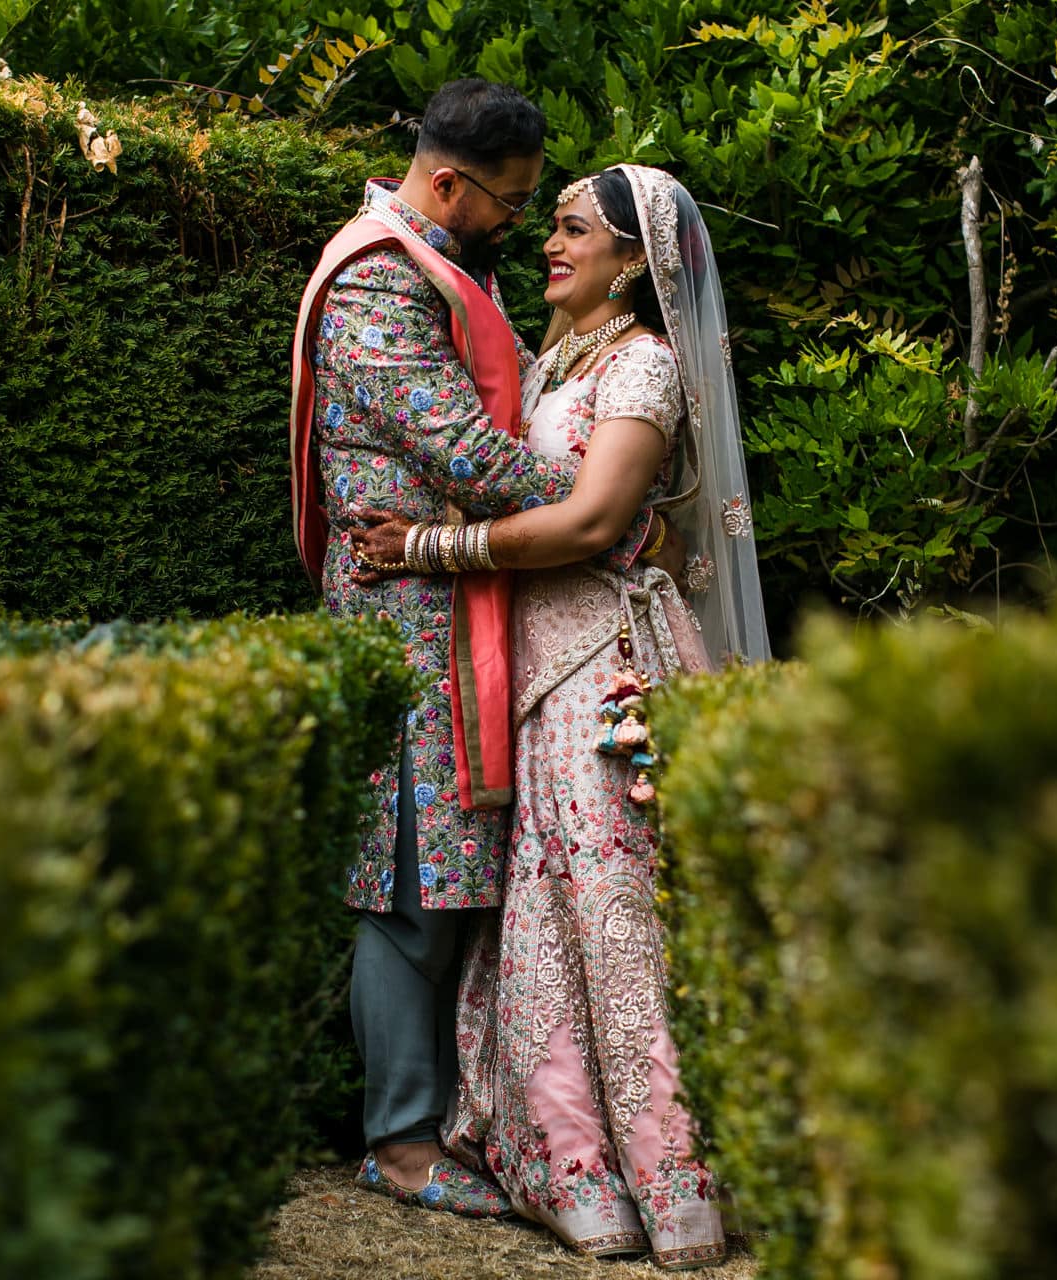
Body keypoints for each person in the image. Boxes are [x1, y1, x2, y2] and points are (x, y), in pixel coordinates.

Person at [348, 164, 770, 1269]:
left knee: (618, 912)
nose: (550, 243)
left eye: (574, 229)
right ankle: (568, 1169)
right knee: (541, 917)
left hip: (601, 669)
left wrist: (429, 546)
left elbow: (588, 524)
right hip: (528, 669)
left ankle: (669, 1176)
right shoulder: (551, 364)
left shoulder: (645, 366)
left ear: (634, 261)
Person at [287, 81, 662, 1218]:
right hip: (406, 617)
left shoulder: (441, 266)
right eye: (507, 199)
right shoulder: (375, 280)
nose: (518, 223)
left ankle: (453, 1117)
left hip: (459, 602)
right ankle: (398, 1142)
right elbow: (467, 452)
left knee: (453, 876)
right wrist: (617, 506)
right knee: (407, 879)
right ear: (448, 182)